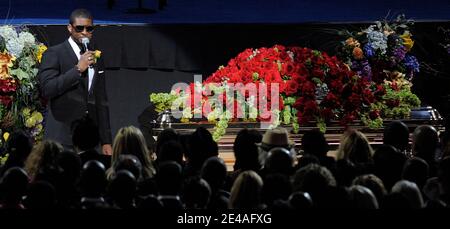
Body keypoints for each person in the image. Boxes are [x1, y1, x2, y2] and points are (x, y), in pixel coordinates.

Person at [38, 8, 112, 155]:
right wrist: (77, 70)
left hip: (89, 139)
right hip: (61, 137)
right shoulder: (54, 53)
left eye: (89, 28)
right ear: (70, 28)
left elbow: (101, 99)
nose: (84, 32)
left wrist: (106, 140)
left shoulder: (96, 56)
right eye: (79, 28)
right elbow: (47, 89)